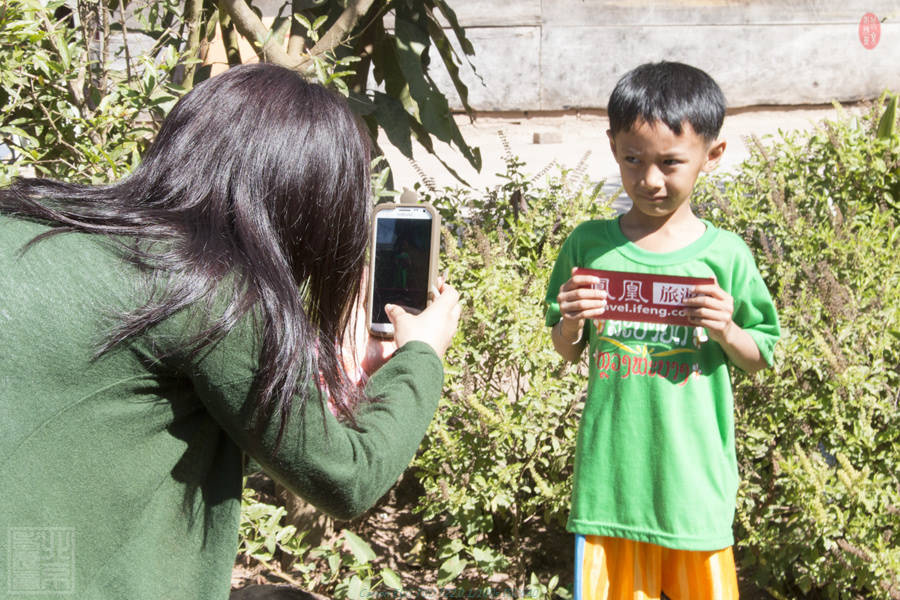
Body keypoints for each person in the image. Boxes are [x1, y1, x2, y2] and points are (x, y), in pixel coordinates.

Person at [0, 63, 460, 599]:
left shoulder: (29, 223)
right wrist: (421, 355)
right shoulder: (207, 288)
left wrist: (328, 375)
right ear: (306, 206)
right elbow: (347, 477)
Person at [544, 61, 780, 599]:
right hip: (609, 492)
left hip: (694, 492)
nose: (649, 179)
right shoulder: (588, 246)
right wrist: (574, 320)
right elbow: (564, 348)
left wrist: (727, 330)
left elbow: (761, 353)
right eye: (633, 159)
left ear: (711, 155)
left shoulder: (726, 257)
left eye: (670, 163)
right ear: (612, 147)